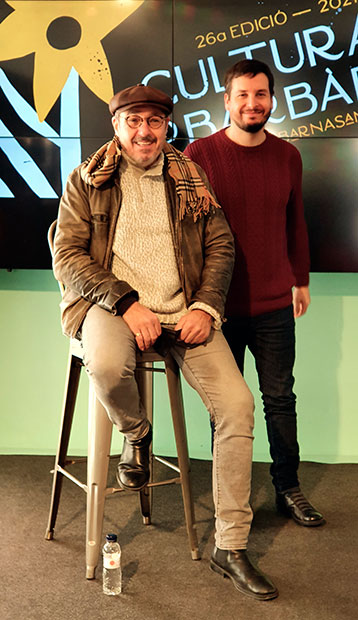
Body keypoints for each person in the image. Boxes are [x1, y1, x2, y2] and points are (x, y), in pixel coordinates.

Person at [53, 84, 278, 600]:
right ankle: (138, 433)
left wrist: (205, 306)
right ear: (117, 126)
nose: (143, 131)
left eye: (154, 121)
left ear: (166, 126)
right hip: (114, 306)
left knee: (239, 406)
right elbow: (67, 255)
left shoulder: (192, 179)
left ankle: (231, 545)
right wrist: (127, 304)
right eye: (133, 120)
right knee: (109, 368)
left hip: (184, 312)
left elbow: (221, 244)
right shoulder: (88, 180)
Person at [184, 59, 325, 528]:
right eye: (242, 95)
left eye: (260, 94)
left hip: (273, 305)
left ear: (272, 99)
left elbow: (295, 223)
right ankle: (232, 496)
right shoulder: (198, 154)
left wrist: (300, 279)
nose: (252, 103)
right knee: (226, 407)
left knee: (279, 398)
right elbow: (184, 232)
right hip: (216, 308)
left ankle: (289, 488)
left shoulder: (288, 156)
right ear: (226, 101)